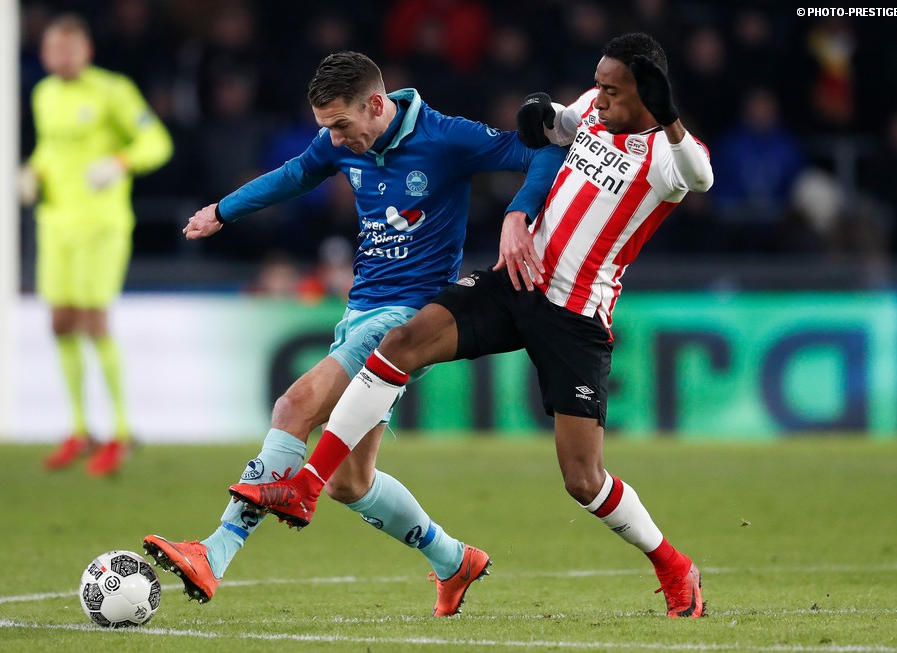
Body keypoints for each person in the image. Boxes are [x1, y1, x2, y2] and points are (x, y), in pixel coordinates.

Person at [230, 33, 714, 619]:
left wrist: (670, 119)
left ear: (647, 92)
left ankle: (673, 564)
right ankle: (307, 486)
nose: (600, 96)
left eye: (613, 89)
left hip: (575, 315)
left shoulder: (669, 154)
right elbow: (556, 128)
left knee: (583, 479)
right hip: (516, 279)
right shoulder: (593, 106)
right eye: (598, 84)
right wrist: (542, 114)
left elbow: (701, 178)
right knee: (400, 342)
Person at [143, 51, 565, 616]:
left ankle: (213, 553)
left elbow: (544, 150)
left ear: (376, 105)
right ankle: (453, 560)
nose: (336, 140)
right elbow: (296, 173)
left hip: (407, 321)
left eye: (341, 125)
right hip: (360, 311)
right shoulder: (340, 140)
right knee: (350, 482)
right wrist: (224, 209)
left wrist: (519, 213)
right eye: (327, 128)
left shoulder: (446, 137)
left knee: (293, 406)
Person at [20, 14, 173, 476]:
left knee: (93, 320)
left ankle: (122, 432)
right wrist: (34, 171)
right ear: (44, 53)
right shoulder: (43, 94)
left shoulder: (113, 91)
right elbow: (51, 148)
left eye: (69, 49)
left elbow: (157, 142)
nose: (61, 58)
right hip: (55, 223)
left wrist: (119, 162)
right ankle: (80, 428)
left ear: (86, 51)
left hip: (101, 223)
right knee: (60, 321)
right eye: (53, 50)